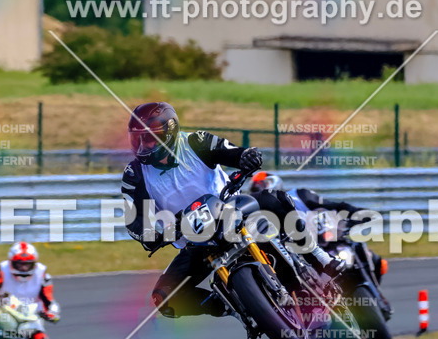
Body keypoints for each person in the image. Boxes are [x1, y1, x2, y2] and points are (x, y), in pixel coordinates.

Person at [120, 101, 343, 321]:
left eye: (148, 138)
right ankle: (232, 306)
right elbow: (134, 219)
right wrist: (149, 234)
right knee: (164, 299)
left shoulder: (196, 142)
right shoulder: (134, 175)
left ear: (168, 133)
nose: (142, 145)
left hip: (230, 209)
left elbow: (233, 153)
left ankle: (318, 257)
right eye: (137, 138)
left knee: (277, 199)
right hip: (194, 239)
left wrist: (247, 156)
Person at [245, 171, 386, 283]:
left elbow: (331, 205)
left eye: (264, 184)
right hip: (303, 256)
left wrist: (357, 213)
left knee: (369, 254)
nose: (261, 189)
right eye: (256, 188)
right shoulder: (260, 216)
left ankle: (376, 293)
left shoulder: (298, 195)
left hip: (325, 240)